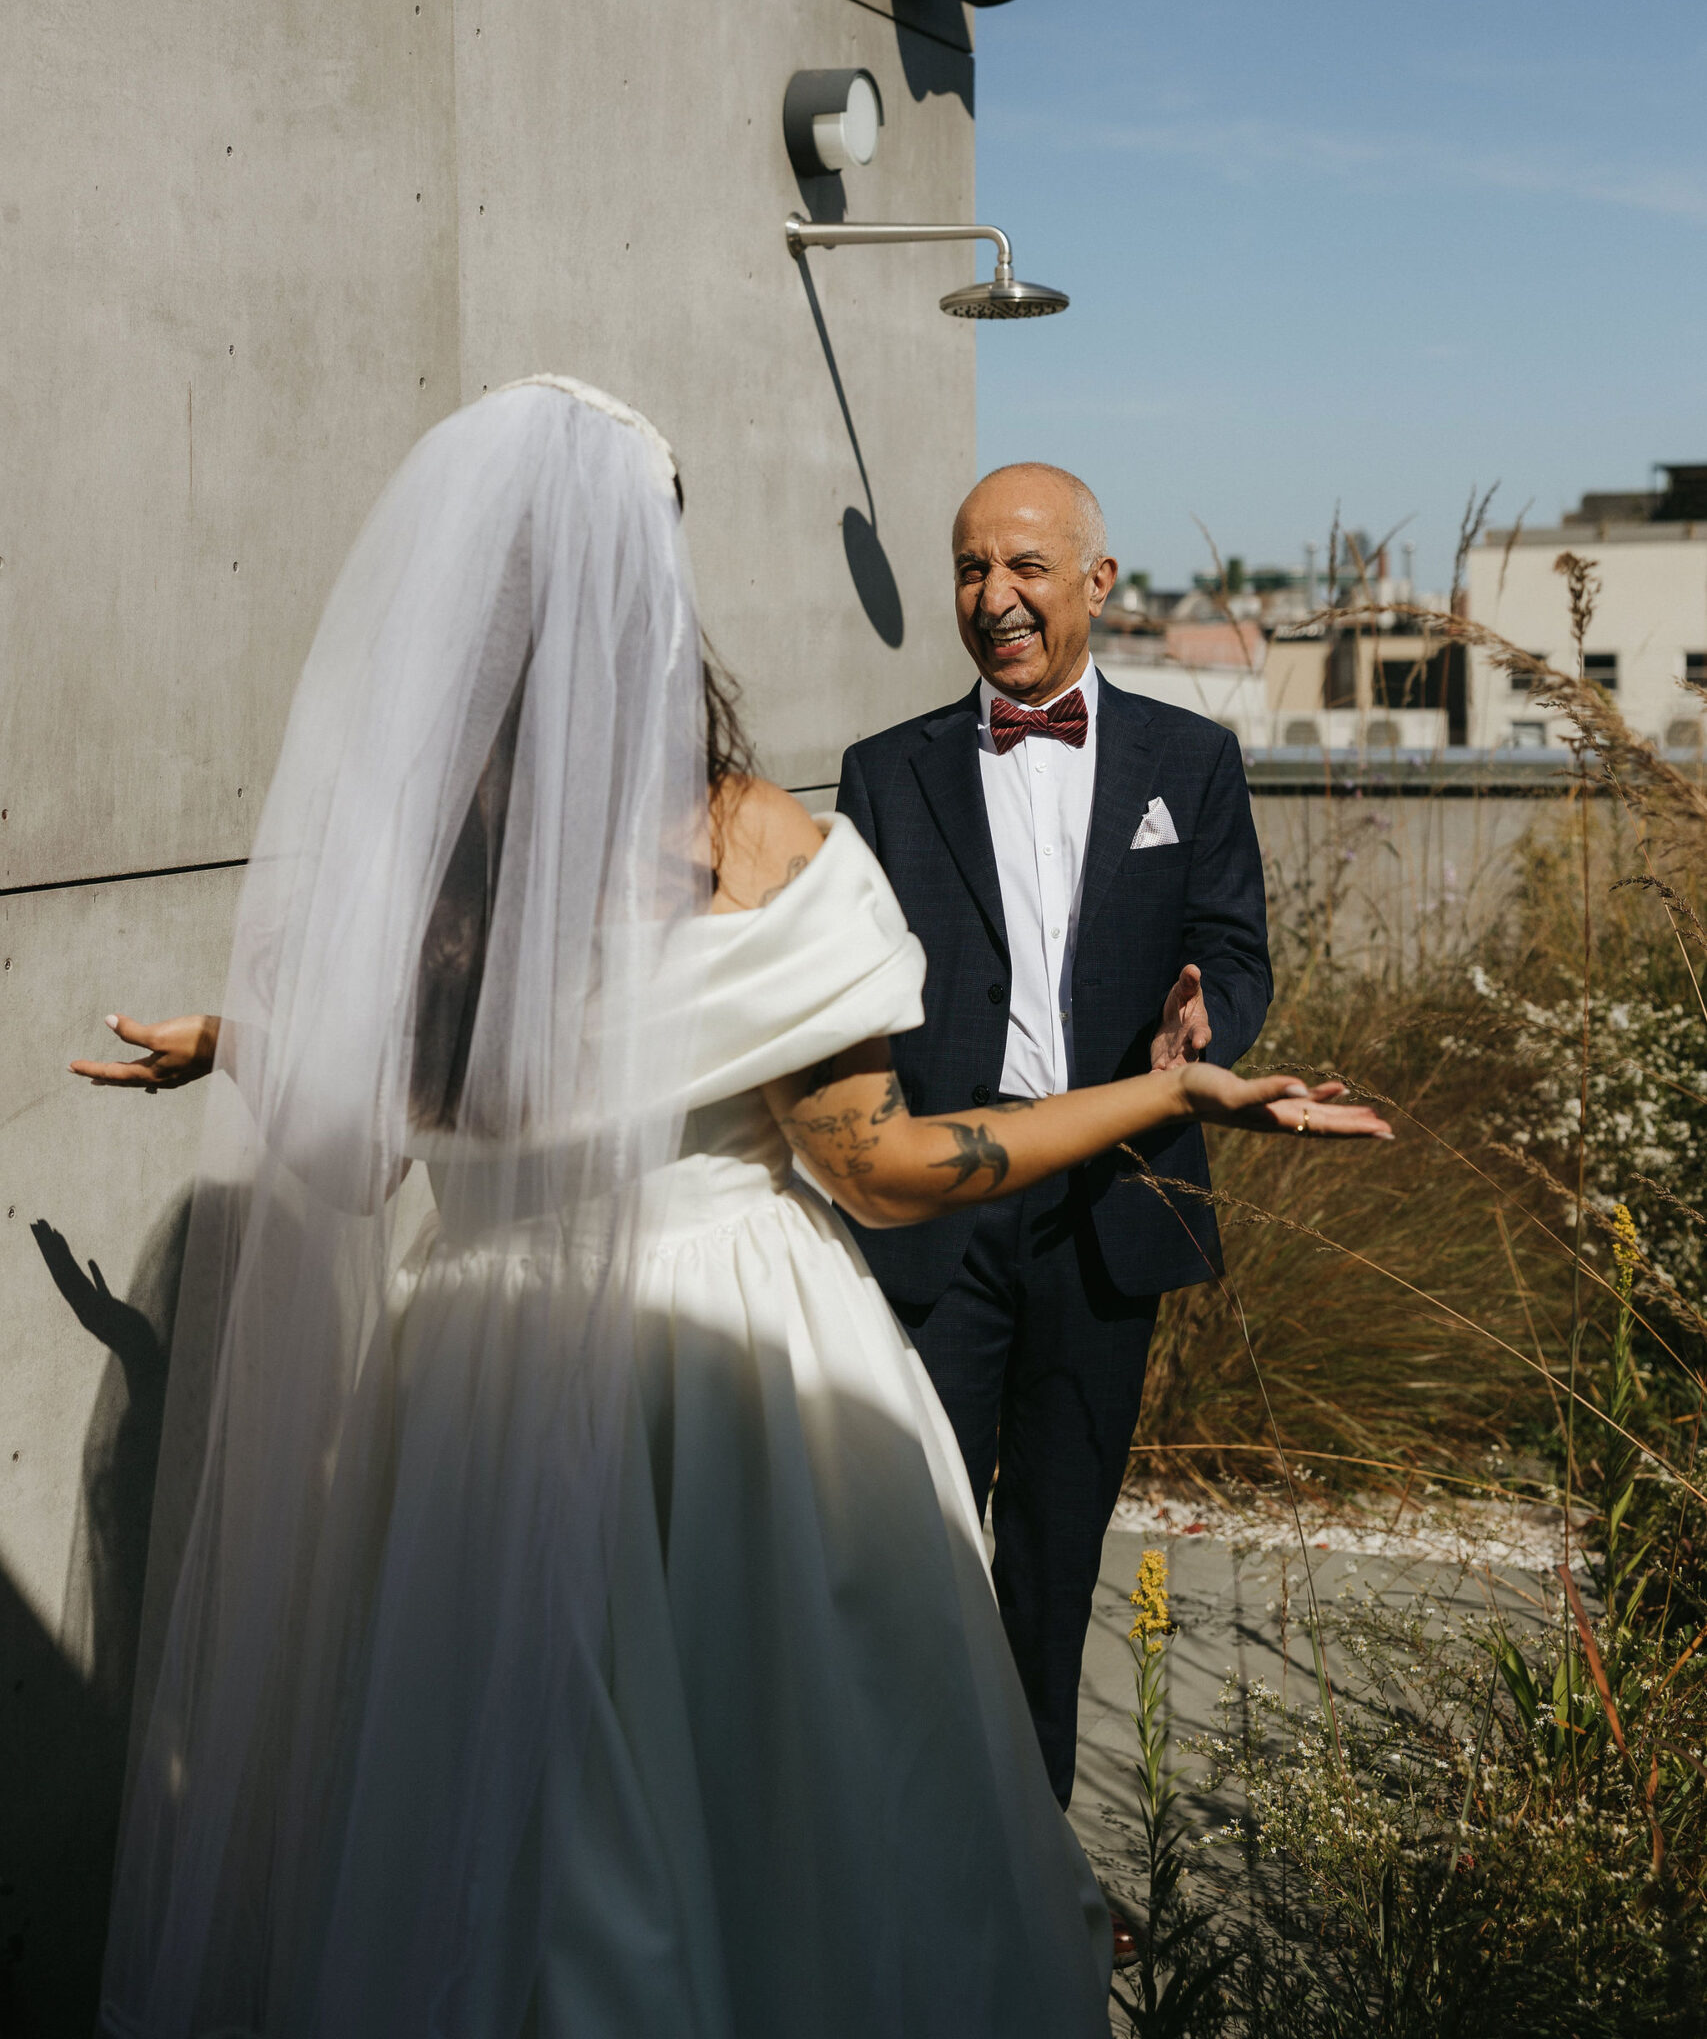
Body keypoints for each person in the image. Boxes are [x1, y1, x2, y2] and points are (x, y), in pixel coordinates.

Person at [75, 382, 1384, 2039]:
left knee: (505, 1826)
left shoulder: (419, 867)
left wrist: (248, 1044)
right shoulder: (754, 839)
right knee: (791, 1804)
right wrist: (1170, 1095)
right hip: (726, 1369)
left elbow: (360, 1160)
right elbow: (880, 1167)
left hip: (466, 1374)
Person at [836, 462, 1272, 1808]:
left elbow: (1232, 949)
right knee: (913, 1547)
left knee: (1054, 1557)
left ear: (1097, 580)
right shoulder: (884, 773)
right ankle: (905, 1846)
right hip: (941, 1206)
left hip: (1111, 1202)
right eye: (971, 568)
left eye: (1025, 566)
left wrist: (1208, 1020)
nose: (994, 596)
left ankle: (1028, 1863)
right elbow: (845, 988)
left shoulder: (1189, 761)